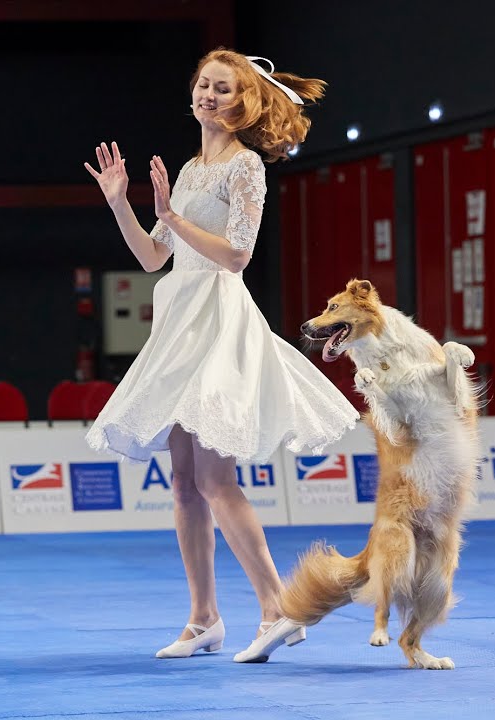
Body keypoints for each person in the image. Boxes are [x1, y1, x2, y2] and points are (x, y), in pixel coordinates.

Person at [81, 48, 359, 663]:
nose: (209, 94)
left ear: (243, 103)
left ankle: (277, 607)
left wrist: (172, 217)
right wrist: (122, 204)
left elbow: (236, 256)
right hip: (179, 321)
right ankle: (204, 617)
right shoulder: (186, 168)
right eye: (204, 84)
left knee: (212, 475)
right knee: (182, 481)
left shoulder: (246, 167)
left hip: (219, 320)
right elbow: (154, 258)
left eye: (223, 89)